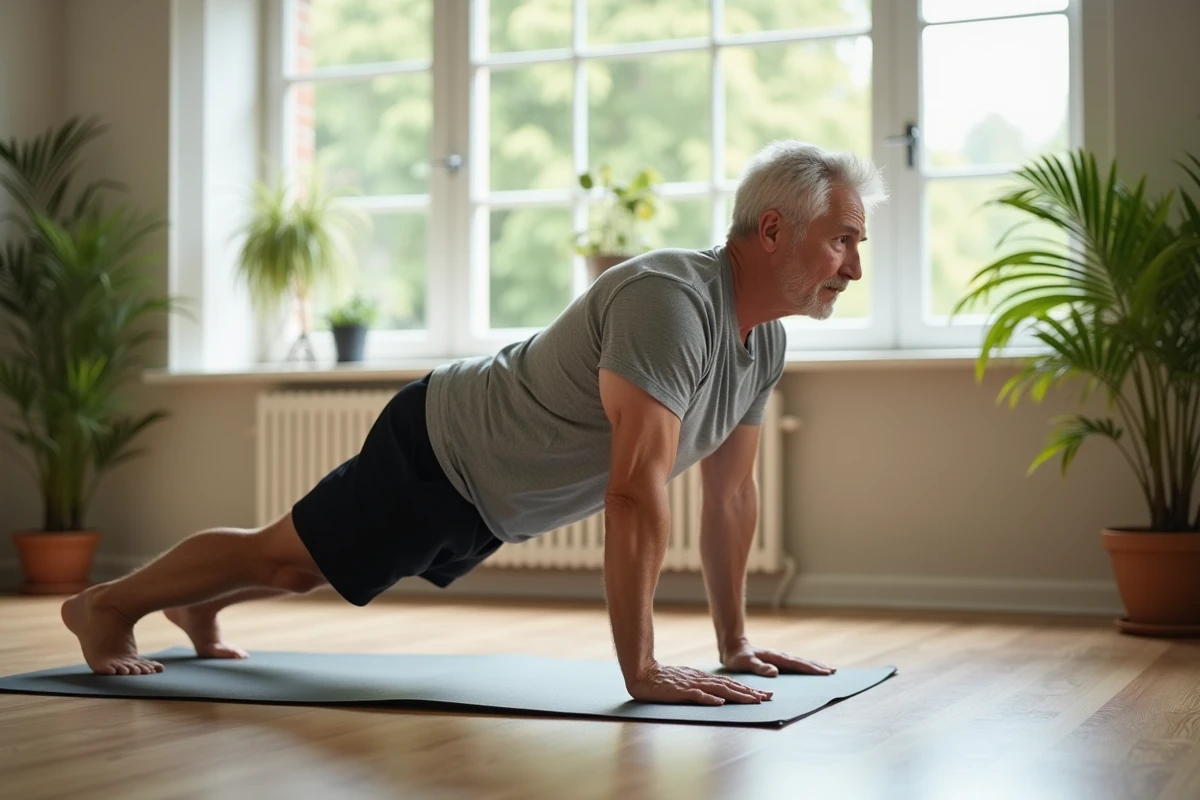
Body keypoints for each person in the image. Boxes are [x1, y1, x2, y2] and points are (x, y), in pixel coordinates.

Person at [61, 140, 887, 706]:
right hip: (445, 448)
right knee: (287, 562)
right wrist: (640, 669)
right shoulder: (668, 303)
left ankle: (195, 606)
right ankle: (105, 606)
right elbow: (636, 491)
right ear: (774, 228)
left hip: (493, 499)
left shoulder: (762, 343)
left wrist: (735, 643)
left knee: (310, 565)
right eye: (842, 239)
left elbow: (731, 497)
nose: (854, 265)